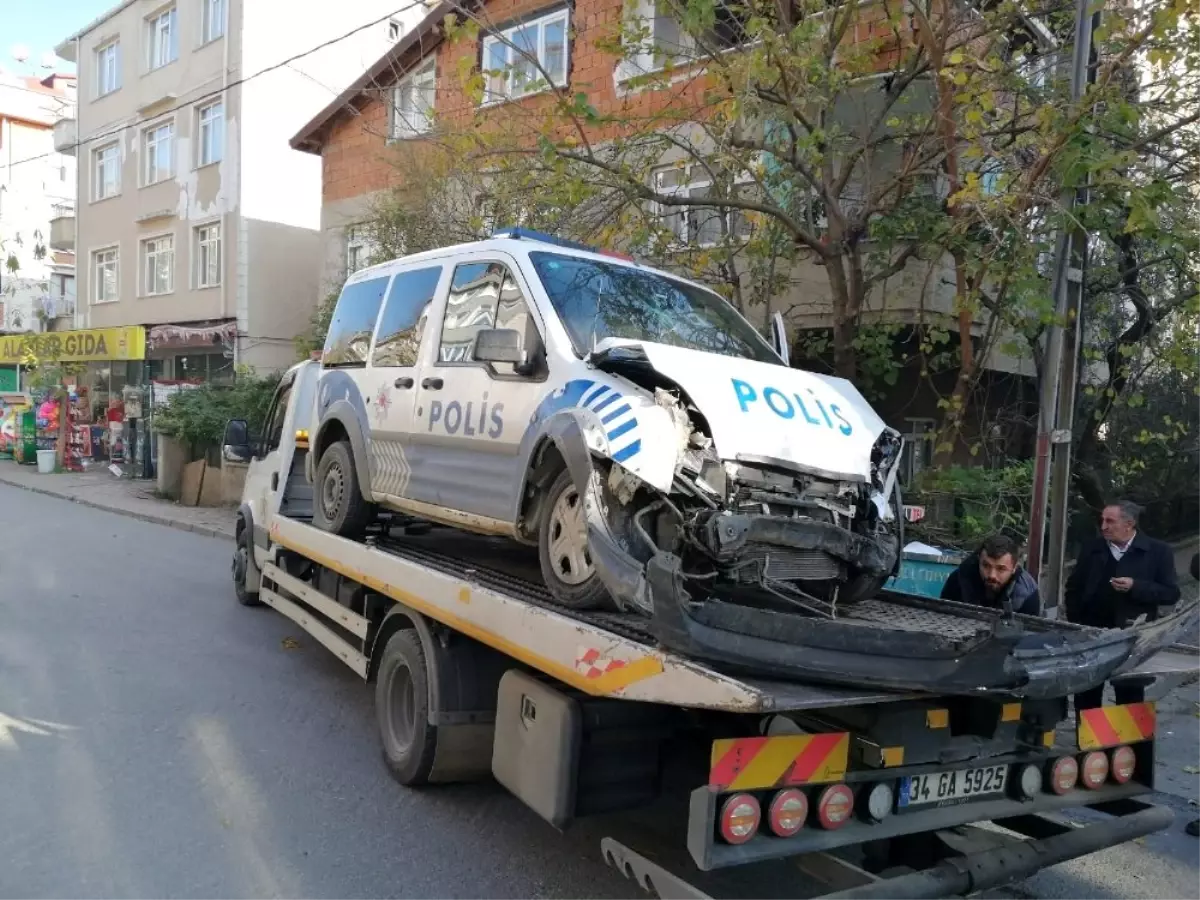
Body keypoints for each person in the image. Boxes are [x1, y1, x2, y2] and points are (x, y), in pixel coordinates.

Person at [1066, 500, 1180, 711]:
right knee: (1086, 693)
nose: (1103, 527)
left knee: (1129, 697)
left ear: (1129, 524)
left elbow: (1171, 593)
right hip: (1092, 634)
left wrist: (1136, 586)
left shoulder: (1158, 551)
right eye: (1102, 521)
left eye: (1110, 521)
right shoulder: (1093, 548)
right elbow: (1074, 588)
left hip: (1133, 637)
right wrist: (1076, 622)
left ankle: (1125, 744)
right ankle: (1092, 743)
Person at [941, 534, 1042, 616]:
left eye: (1001, 569)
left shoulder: (1028, 594)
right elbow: (941, 617)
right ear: (979, 561)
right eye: (986, 566)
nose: (992, 575)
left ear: (1014, 568)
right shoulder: (959, 579)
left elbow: (1031, 636)